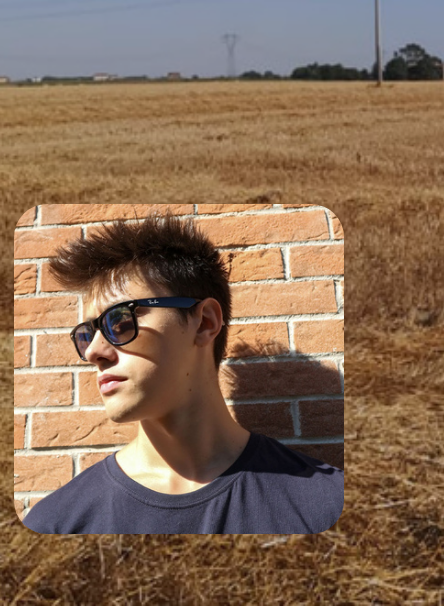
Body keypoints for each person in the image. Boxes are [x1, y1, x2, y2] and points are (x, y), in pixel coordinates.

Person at [22, 216, 343, 533]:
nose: (94, 351)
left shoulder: (325, 507)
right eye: (86, 334)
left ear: (204, 323)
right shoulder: (54, 525)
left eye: (119, 321)